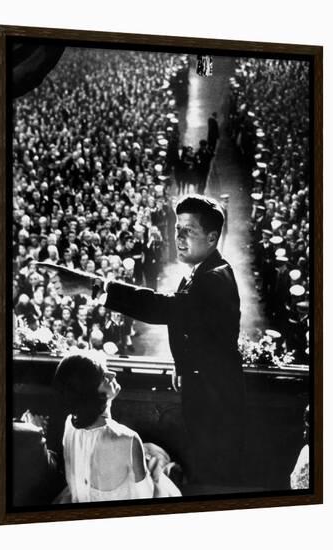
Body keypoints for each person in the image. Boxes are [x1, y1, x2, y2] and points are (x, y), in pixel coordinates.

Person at [38, 194, 245, 489]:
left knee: (213, 473)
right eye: (177, 229)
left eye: (189, 231)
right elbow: (192, 325)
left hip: (217, 402)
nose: (179, 238)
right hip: (205, 390)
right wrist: (184, 366)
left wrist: (91, 285)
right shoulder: (200, 273)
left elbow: (162, 309)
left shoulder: (214, 279)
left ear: (212, 238)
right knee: (203, 462)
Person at [53, 352, 181, 502]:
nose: (112, 374)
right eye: (103, 377)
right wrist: (154, 471)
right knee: (162, 464)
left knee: (151, 451)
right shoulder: (128, 438)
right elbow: (146, 496)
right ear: (92, 394)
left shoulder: (70, 424)